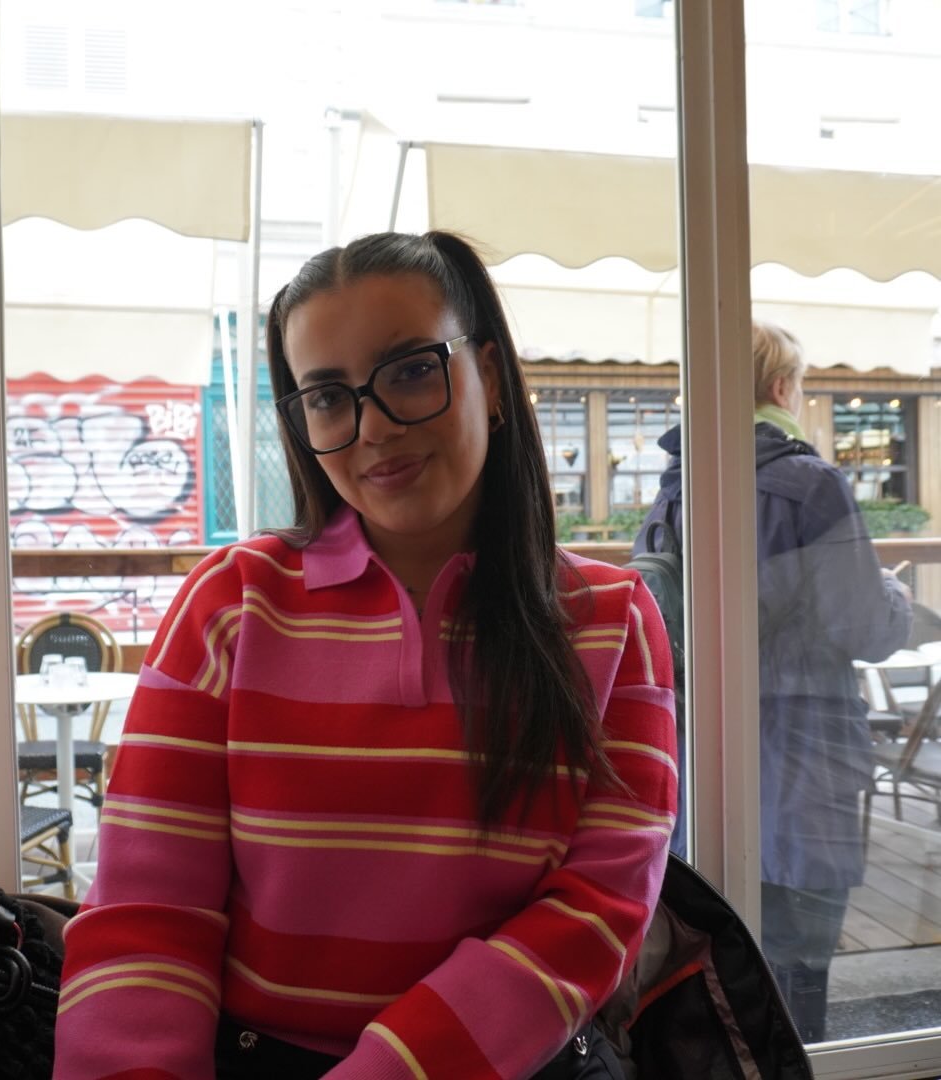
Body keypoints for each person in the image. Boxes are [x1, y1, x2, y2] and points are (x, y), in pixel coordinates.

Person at [52, 231, 677, 1079]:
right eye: (326, 397)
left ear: (491, 378)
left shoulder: (611, 620)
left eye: (412, 370)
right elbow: (145, 913)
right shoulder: (231, 605)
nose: (373, 427)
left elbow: (596, 913)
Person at [634, 320, 911, 1043]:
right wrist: (896, 594)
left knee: (722, 974)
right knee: (799, 977)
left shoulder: (676, 488)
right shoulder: (811, 486)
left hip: (704, 769)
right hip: (806, 769)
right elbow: (865, 627)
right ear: (783, 386)